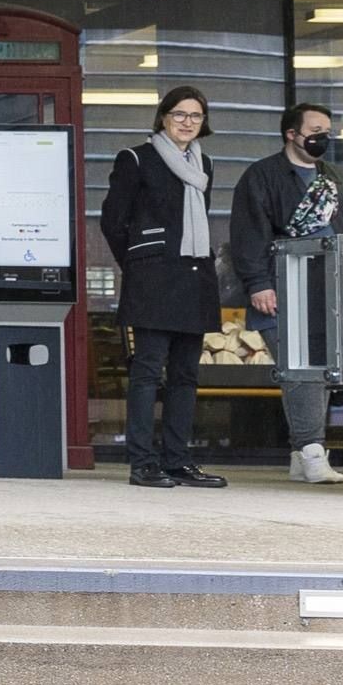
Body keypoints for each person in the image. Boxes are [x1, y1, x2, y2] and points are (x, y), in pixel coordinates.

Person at [231, 101, 343, 486]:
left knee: (321, 371)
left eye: (327, 130)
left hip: (331, 292)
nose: (322, 137)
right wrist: (258, 283)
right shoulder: (261, 177)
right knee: (300, 370)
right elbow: (247, 234)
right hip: (281, 289)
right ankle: (312, 450)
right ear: (291, 134)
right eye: (314, 130)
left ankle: (300, 454)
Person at [101, 86, 227, 491]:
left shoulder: (205, 163)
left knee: (186, 375)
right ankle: (143, 462)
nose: (187, 122)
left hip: (194, 276)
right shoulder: (137, 158)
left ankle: (177, 460)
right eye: (179, 114)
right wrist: (139, 264)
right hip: (153, 278)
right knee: (147, 371)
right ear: (163, 117)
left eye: (196, 115)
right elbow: (112, 221)